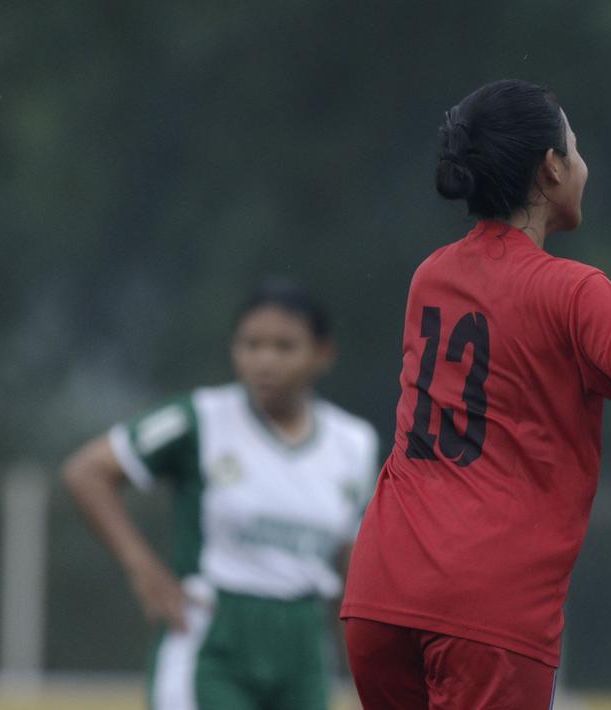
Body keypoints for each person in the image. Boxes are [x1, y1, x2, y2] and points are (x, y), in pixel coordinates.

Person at [339, 78, 611, 709]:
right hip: (486, 608)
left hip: (382, 593)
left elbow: (543, 354)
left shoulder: (433, 274)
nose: (583, 165)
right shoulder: (572, 287)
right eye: (574, 148)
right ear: (551, 168)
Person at [63, 279, 378, 710]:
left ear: (323, 354)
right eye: (251, 344)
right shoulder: (199, 419)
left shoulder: (354, 442)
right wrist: (143, 569)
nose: (264, 360)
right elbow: (86, 472)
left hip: (303, 643)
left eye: (284, 346)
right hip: (214, 635)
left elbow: (351, 561)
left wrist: (367, 662)